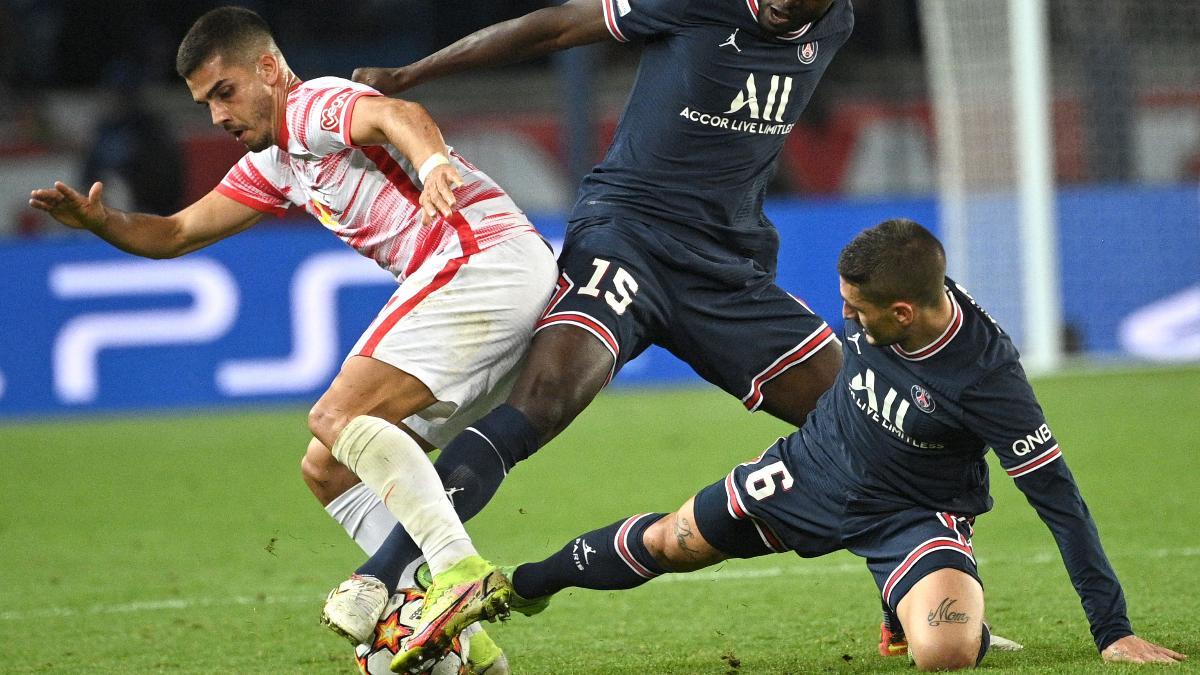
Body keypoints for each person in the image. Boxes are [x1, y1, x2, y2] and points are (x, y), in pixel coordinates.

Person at [390, 218, 1188, 671]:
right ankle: (516, 585)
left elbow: (1060, 499)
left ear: (905, 312)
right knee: (674, 539)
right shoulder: (899, 293)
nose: (846, 317)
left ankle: (927, 611)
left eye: (857, 309)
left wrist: (1110, 627)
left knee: (942, 651)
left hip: (916, 511)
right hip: (812, 466)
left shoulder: (988, 380)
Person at [29, 7, 559, 672]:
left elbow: (400, 115)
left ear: (271, 70)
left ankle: (456, 574)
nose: (218, 115)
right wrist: (102, 221)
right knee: (328, 465)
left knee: (337, 415)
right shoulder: (279, 162)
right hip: (490, 279)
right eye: (205, 104)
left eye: (225, 92)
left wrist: (430, 168)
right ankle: (458, 649)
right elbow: (176, 234)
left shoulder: (314, 105)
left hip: (479, 258)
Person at [333, 0, 853, 640]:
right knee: (539, 405)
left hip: (725, 272)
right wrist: (410, 74)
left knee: (869, 419)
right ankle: (378, 578)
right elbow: (553, 26)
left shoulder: (836, 23)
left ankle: (907, 610)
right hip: (625, 236)